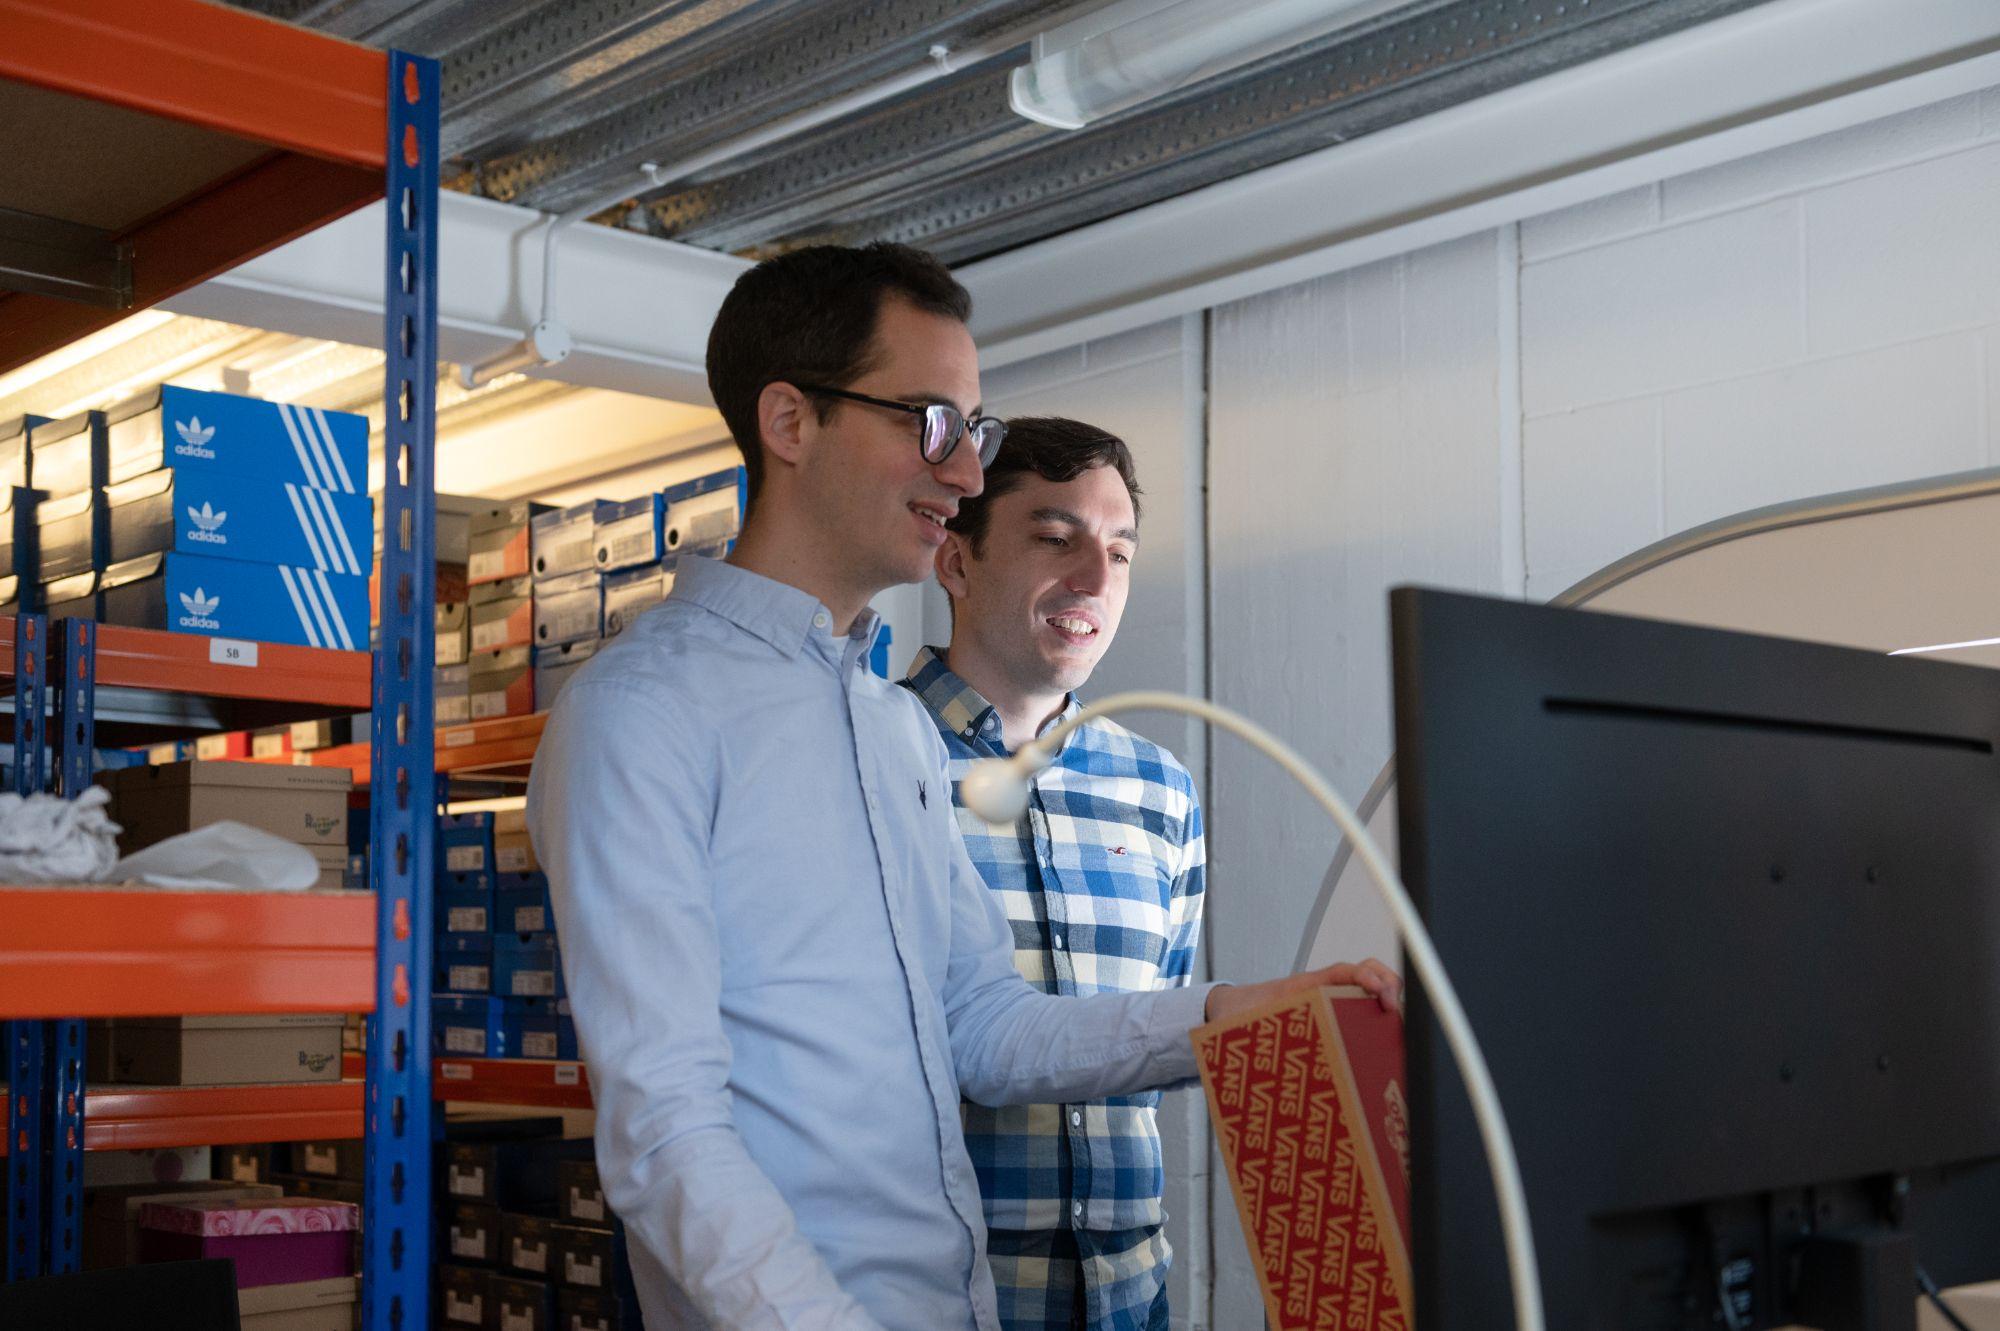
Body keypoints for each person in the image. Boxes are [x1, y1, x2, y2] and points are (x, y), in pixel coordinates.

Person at [526, 242, 1401, 1331]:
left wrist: (1229, 1016)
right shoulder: (640, 712)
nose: (967, 474)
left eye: (972, 432)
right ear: (790, 423)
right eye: (929, 423)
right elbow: (663, 1129)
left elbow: (984, 1028)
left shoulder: (886, 726)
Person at [903, 417, 1212, 1331]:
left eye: (1119, 551)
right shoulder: (873, 758)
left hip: (1128, 1303)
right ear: (956, 561)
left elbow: (1150, 1045)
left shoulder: (1160, 787)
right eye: (1055, 538)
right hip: (939, 1303)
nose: (1095, 578)